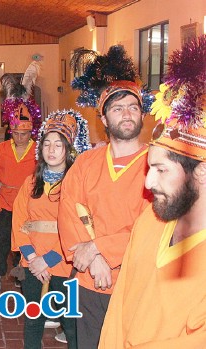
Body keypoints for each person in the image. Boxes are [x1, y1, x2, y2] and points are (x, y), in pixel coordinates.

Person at [99, 35, 206, 348]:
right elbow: (118, 311)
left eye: (161, 171)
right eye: (149, 168)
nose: (147, 183)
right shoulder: (151, 220)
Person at [58, 45, 155, 348]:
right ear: (104, 118)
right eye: (117, 108)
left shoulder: (158, 164)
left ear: (142, 113)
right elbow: (69, 211)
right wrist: (94, 259)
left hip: (137, 283)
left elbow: (152, 227)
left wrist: (101, 249)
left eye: (133, 107)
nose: (126, 114)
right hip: (88, 283)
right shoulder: (86, 163)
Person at [13, 110, 91, 349]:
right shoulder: (31, 183)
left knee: (70, 322)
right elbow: (19, 220)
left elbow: (78, 227)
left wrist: (47, 259)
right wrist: (32, 257)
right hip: (32, 261)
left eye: (58, 144)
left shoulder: (76, 185)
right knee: (33, 318)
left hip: (64, 262)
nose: (52, 149)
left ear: (68, 150)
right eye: (47, 143)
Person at [0, 92, 40, 294]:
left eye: (23, 134)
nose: (19, 137)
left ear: (31, 132)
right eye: (15, 134)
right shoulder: (1, 148)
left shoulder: (38, 150)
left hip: (28, 204)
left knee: (24, 241)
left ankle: (21, 273)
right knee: (2, 240)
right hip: (6, 202)